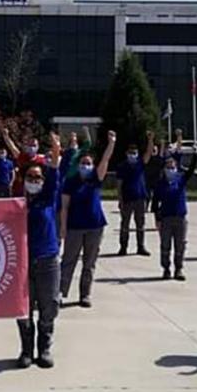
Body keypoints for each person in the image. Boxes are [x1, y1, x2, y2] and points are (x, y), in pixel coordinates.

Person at [16, 131, 61, 369]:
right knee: (23, 307)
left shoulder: (48, 197)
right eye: (30, 177)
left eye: (37, 177)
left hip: (47, 259)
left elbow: (54, 168)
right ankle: (25, 350)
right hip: (21, 261)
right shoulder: (15, 203)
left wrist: (55, 147)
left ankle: (44, 348)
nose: (34, 180)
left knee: (49, 304)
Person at [59, 131, 116, 307]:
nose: (86, 166)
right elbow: (65, 207)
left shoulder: (95, 178)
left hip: (95, 226)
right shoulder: (70, 181)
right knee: (68, 261)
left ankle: (85, 294)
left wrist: (111, 143)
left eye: (89, 163)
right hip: (75, 227)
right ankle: (61, 292)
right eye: (83, 163)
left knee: (89, 263)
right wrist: (63, 227)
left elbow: (105, 160)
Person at [151, 145, 197, 281]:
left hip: (180, 218)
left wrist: (195, 156)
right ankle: (166, 268)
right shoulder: (160, 184)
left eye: (173, 167)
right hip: (166, 219)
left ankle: (179, 269)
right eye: (168, 167)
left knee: (181, 244)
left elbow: (190, 171)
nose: (171, 169)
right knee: (165, 245)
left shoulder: (181, 179)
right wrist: (157, 219)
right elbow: (155, 204)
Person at [116, 131, 155, 256]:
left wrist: (150, 140)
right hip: (127, 198)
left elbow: (149, 153)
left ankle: (141, 246)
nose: (132, 155)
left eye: (134, 153)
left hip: (140, 198)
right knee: (125, 224)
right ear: (126, 153)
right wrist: (120, 199)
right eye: (130, 153)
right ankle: (123, 246)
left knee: (140, 224)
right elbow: (119, 185)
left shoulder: (140, 164)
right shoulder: (122, 166)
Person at [2, 128, 45, 197]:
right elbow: (12, 147)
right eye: (30, 145)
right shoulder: (22, 157)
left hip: (37, 191)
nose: (32, 148)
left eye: (34, 145)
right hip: (21, 191)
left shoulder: (42, 159)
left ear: (38, 147)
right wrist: (6, 136)